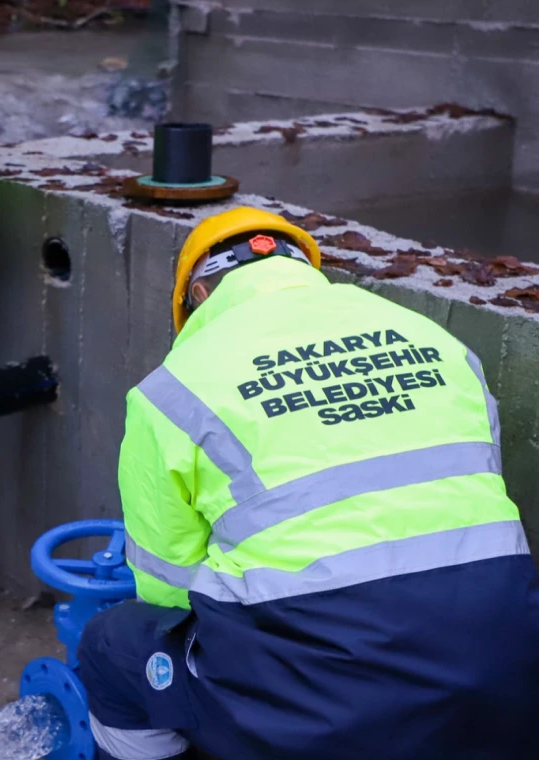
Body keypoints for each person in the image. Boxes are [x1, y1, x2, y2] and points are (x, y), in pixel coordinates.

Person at [77, 206, 539, 759]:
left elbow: (167, 588)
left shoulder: (173, 390)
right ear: (304, 268)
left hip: (326, 718)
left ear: (198, 294)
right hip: (509, 672)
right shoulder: (437, 341)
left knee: (113, 647)